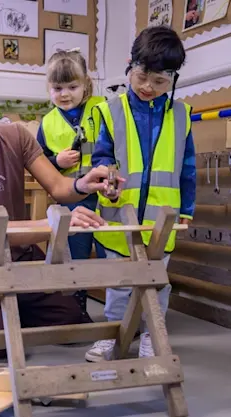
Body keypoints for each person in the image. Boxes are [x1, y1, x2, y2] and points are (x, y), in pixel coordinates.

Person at [0, 58, 124, 357]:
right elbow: (0, 232)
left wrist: (83, 184)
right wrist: (60, 225)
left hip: (20, 260)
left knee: (71, 321)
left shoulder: (14, 136)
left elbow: (58, 186)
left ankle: (5, 310)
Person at [85, 25, 196, 362]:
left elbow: (187, 168)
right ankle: (113, 334)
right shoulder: (110, 109)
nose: (149, 87)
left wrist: (187, 208)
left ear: (173, 78)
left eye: (159, 81)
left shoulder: (181, 116)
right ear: (129, 65)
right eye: (142, 76)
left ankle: (151, 335)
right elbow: (100, 156)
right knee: (119, 282)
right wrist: (107, 181)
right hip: (120, 215)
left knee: (157, 282)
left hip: (162, 221)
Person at [37, 48, 107, 319]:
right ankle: (76, 313)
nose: (64, 94)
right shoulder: (48, 122)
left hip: (106, 199)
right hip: (71, 203)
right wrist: (57, 161)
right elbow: (39, 162)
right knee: (73, 260)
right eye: (57, 88)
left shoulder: (103, 109)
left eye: (72, 86)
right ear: (49, 89)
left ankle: (120, 315)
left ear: (86, 85)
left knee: (111, 257)